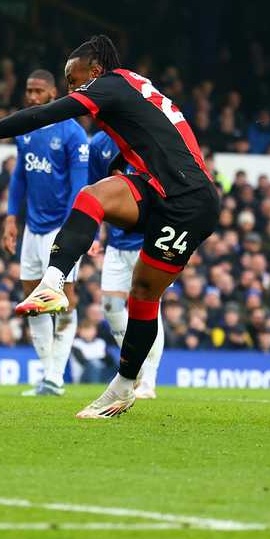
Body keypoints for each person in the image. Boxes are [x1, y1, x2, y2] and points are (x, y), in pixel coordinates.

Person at [0, 35, 219, 419]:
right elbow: (155, 130)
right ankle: (53, 285)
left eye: (72, 80)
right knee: (91, 197)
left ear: (95, 72)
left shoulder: (108, 85)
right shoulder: (129, 85)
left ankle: (125, 386)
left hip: (188, 202)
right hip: (159, 187)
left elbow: (42, 115)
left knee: (144, 294)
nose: (70, 89)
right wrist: (119, 161)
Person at [3, 69, 88, 397]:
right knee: (32, 298)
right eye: (29, 90)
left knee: (64, 299)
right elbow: (19, 178)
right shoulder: (24, 128)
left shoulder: (72, 134)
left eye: (39, 91)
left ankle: (54, 377)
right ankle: (49, 375)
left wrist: (71, 229)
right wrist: (12, 217)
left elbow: (79, 187)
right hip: (32, 229)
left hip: (59, 228)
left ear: (54, 92)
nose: (33, 96)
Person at [88, 129, 163, 399]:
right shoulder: (98, 144)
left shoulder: (148, 138)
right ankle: (138, 365)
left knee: (149, 307)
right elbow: (93, 190)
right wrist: (95, 234)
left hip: (148, 240)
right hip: (117, 245)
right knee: (110, 306)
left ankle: (148, 380)